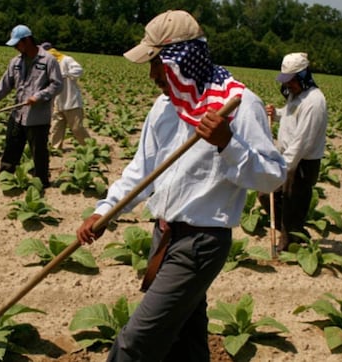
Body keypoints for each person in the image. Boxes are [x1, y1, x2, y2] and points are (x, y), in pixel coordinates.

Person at [76, 10, 286, 362]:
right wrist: (104, 211)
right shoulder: (164, 107)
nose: (152, 74)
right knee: (185, 340)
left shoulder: (237, 104)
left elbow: (272, 177)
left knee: (136, 342)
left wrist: (227, 142)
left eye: (156, 63)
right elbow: (141, 172)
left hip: (201, 244)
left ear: (180, 61)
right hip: (164, 236)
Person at [259, 52, 328, 251]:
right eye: (286, 81)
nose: (288, 85)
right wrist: (277, 113)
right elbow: (291, 117)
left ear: (304, 76)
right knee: (265, 195)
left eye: (291, 81)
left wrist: (282, 167)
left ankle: (289, 243)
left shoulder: (314, 102)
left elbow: (301, 142)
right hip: (286, 157)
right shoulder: (295, 95)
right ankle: (292, 230)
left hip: (301, 163)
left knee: (292, 203)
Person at [0, 25, 62, 187]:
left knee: (38, 152)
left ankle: (41, 182)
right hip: (18, 113)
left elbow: (57, 85)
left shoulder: (48, 60)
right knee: (11, 146)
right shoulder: (15, 62)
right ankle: (5, 177)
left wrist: (39, 96)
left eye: (18, 44)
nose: (16, 48)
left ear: (27, 40)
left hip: (38, 117)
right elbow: (4, 85)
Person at [41, 42, 91, 150]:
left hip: (71, 101)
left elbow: (78, 70)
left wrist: (65, 74)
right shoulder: (47, 64)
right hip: (57, 102)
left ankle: (90, 147)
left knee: (77, 128)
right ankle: (55, 149)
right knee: (56, 127)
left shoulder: (66, 60)